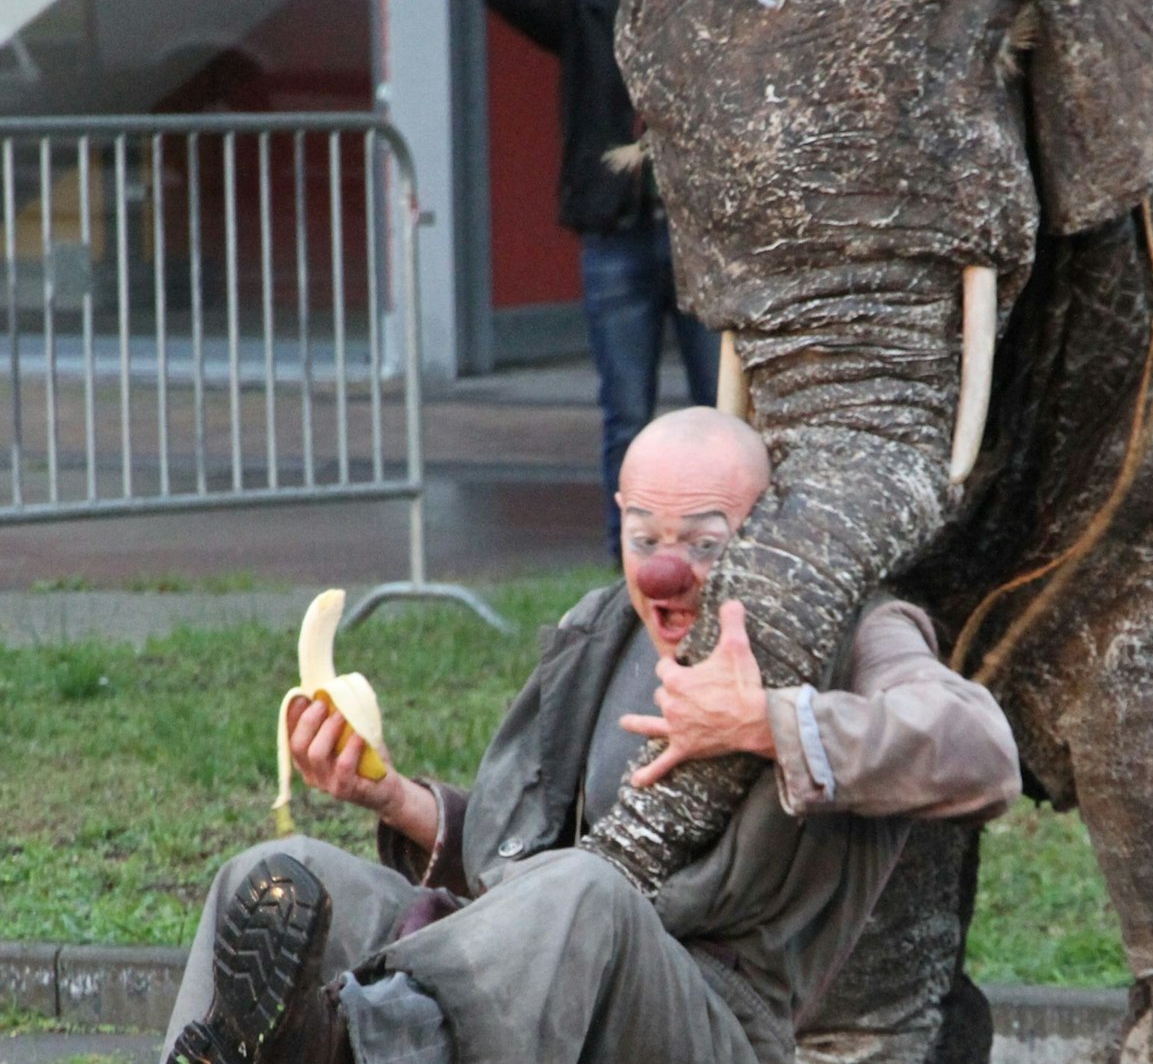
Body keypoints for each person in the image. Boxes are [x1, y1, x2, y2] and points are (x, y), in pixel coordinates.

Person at [160, 407, 1021, 1064]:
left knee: (586, 890)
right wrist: (392, 796)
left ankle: (352, 1039)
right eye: (643, 534)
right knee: (277, 876)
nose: (661, 567)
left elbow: (982, 753)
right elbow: (515, 876)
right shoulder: (595, 631)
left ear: (767, 535)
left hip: (715, 1025)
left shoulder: (850, 634)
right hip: (535, 972)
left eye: (704, 542)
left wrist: (770, 722)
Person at [486, 0, 724, 561]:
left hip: (695, 235)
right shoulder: (584, 11)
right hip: (616, 237)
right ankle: (626, 565)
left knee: (720, 411)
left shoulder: (706, 6)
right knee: (626, 413)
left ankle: (728, 554)